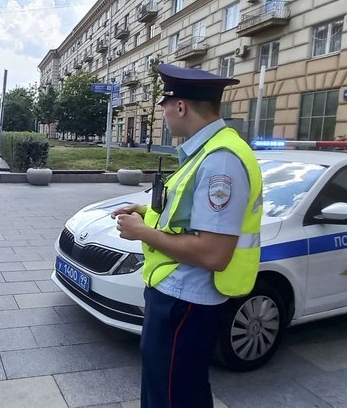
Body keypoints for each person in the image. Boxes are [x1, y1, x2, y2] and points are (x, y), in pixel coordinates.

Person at [111, 63, 263, 408]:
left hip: (186, 300)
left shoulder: (220, 161)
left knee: (173, 395)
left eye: (164, 103)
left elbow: (213, 253)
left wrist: (143, 234)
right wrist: (145, 214)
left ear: (180, 106)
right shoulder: (208, 151)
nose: (163, 112)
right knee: (168, 386)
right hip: (177, 295)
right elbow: (187, 220)